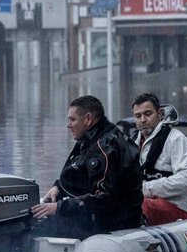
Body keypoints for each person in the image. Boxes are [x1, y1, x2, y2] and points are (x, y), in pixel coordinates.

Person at [30, 95, 143, 239]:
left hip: (113, 223)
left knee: (35, 230)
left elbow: (104, 198)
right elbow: (78, 172)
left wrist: (60, 208)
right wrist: (58, 187)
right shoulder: (92, 138)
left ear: (88, 119)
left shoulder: (104, 148)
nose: (69, 125)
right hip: (100, 216)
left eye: (72, 119)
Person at [130, 92, 187, 226]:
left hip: (174, 207)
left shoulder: (177, 139)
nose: (143, 120)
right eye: (138, 116)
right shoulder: (131, 144)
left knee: (134, 206)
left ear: (160, 114)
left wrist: (145, 189)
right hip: (142, 202)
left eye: (148, 114)